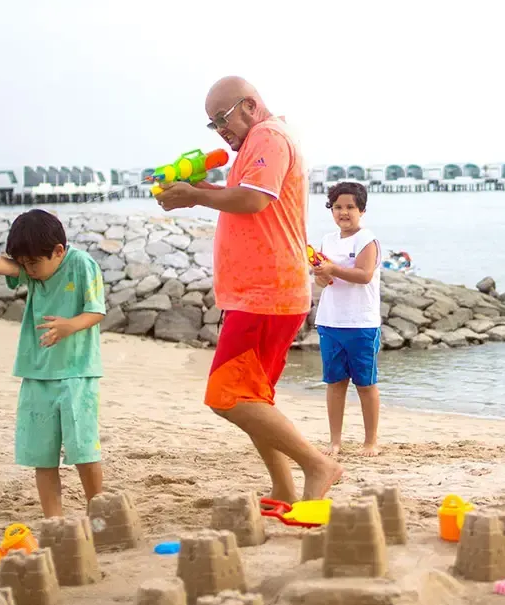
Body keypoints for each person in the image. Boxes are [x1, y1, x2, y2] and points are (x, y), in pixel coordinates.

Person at [154, 76, 342, 502]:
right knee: (254, 398)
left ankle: (319, 465)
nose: (221, 129)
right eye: (212, 123)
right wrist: (203, 190)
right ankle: (283, 487)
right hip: (258, 293)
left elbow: (255, 201)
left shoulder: (268, 137)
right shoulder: (260, 140)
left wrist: (196, 199)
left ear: (250, 106)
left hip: (267, 293)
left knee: (227, 396)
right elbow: (248, 198)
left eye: (223, 118)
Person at [0, 209, 106, 518]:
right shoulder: (32, 267)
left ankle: (99, 513)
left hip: (77, 372)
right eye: (24, 264)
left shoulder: (81, 264)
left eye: (34, 263)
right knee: (43, 456)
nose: (29, 271)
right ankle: (55, 521)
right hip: (36, 373)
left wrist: (68, 326)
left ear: (59, 251)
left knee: (84, 450)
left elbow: (97, 311)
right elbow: (2, 265)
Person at [312, 181, 382, 457]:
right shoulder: (328, 240)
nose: (344, 212)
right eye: (338, 207)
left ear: (361, 210)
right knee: (335, 383)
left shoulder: (367, 239)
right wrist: (321, 273)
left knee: (365, 384)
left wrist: (333, 268)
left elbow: (364, 275)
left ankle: (370, 441)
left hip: (361, 323)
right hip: (330, 321)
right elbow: (324, 281)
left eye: (350, 207)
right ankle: (335, 441)